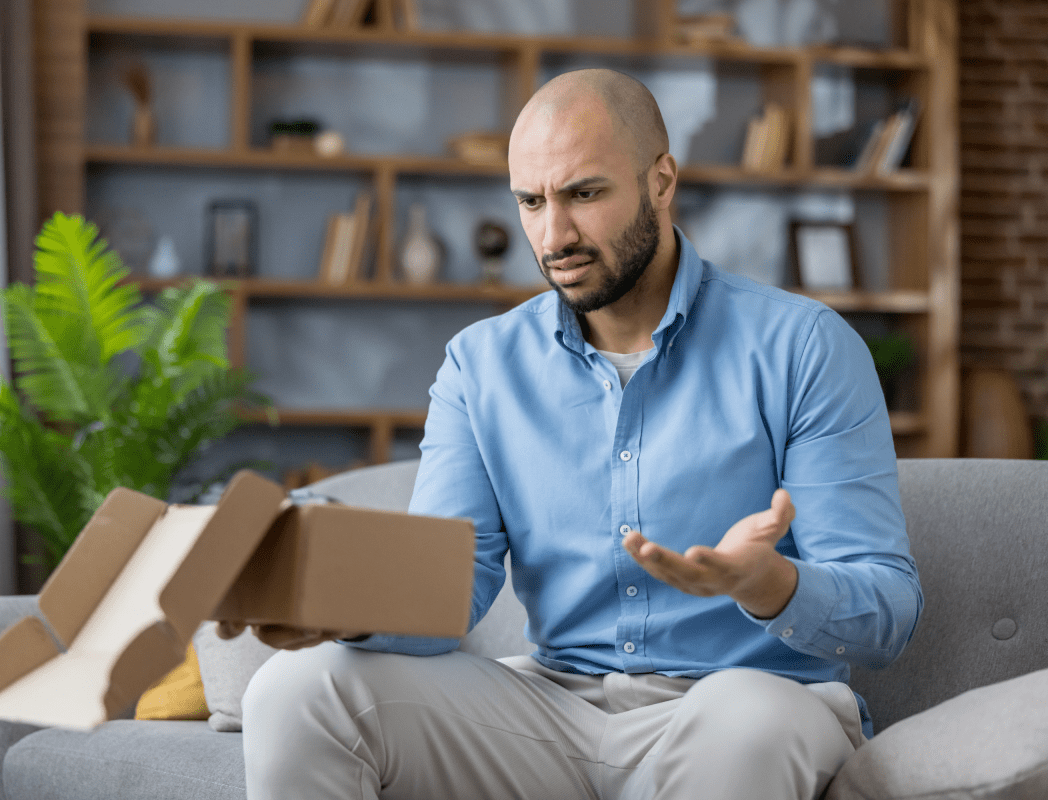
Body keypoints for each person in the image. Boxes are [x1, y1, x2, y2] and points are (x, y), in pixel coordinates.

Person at [240, 68, 922, 800]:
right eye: (531, 202)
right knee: (295, 689)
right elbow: (449, 589)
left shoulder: (804, 346)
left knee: (748, 722)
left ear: (661, 182)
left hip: (745, 697)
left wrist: (770, 585)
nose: (553, 235)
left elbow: (887, 611)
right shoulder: (480, 364)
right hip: (551, 708)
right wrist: (341, 608)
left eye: (584, 194)